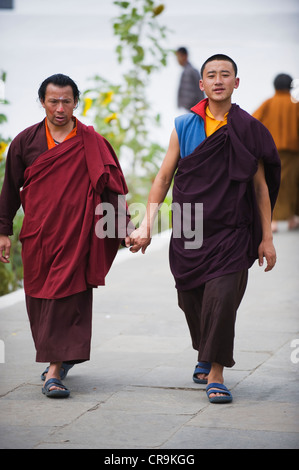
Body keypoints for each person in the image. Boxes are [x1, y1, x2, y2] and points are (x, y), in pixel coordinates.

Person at [126, 54, 281, 404]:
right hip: (190, 228)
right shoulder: (184, 125)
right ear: (202, 84)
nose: (218, 80)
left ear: (236, 83)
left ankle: (216, 373)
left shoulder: (247, 129)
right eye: (211, 75)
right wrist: (147, 224)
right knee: (190, 298)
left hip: (232, 229)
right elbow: (164, 176)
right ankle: (205, 351)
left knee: (223, 299)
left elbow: (260, 187)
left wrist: (266, 238)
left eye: (226, 74)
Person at [0, 74, 131, 398]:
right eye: (53, 101)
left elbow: (111, 189)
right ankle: (62, 357)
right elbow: (9, 192)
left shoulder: (91, 141)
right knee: (41, 301)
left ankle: (54, 371)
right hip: (39, 236)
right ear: (42, 101)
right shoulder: (25, 142)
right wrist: (3, 231)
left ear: (76, 102)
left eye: (67, 101)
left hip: (79, 236)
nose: (60, 108)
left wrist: (124, 229)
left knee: (66, 299)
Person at [253, 73, 299, 232]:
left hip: (270, 151)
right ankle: (292, 218)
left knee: (274, 183)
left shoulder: (268, 103)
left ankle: (273, 221)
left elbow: (253, 122)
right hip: (294, 152)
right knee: (293, 185)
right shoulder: (295, 104)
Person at [176, 47, 205, 111]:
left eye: (178, 57)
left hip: (192, 109)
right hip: (193, 109)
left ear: (185, 56)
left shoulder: (189, 71)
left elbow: (192, 92)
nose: (177, 60)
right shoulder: (190, 70)